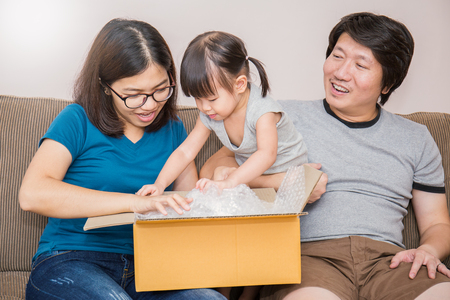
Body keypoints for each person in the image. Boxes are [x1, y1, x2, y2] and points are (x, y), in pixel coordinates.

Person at [201, 12, 450, 299]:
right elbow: (213, 171)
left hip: (390, 263)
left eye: (360, 64)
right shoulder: (279, 116)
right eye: (337, 55)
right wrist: (286, 181)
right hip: (309, 260)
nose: (341, 72)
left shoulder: (416, 138)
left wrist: (428, 250)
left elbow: (436, 223)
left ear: (387, 85)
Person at [18, 18, 226, 300]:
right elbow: (32, 194)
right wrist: (135, 202)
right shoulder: (77, 120)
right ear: (106, 86)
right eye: (134, 95)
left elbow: (189, 209)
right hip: (71, 260)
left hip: (148, 270)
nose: (150, 104)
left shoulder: (174, 130)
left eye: (160, 89)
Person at [137, 30, 307, 197]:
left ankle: (264, 183)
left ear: (239, 85)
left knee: (224, 181)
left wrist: (230, 182)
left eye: (212, 99)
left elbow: (266, 155)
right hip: (249, 166)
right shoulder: (211, 113)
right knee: (209, 174)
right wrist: (160, 184)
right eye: (198, 98)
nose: (204, 107)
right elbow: (185, 152)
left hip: (285, 168)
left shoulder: (261, 111)